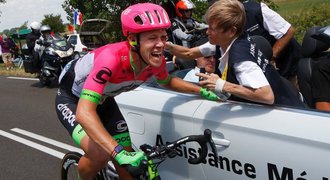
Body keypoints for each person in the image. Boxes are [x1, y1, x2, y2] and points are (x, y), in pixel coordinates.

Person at [55, 3, 219, 180]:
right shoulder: (111, 60)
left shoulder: (154, 61)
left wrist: (200, 91)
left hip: (104, 99)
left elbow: (167, 81)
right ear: (133, 39)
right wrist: (116, 151)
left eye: (163, 37)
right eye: (152, 38)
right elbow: (84, 112)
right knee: (100, 154)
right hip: (72, 100)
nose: (160, 44)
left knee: (130, 164)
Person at [166, 0, 304, 107]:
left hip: (285, 110)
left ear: (231, 31)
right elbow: (189, 53)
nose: (207, 32)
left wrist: (221, 85)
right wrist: (166, 46)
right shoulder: (228, 40)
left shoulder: (241, 60)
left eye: (213, 29)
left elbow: (266, 95)